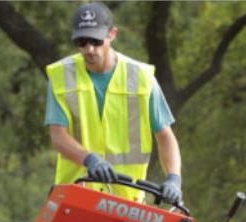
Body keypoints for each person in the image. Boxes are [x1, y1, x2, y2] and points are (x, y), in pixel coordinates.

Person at [46, 2, 182, 205]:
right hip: (75, 196)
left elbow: (165, 136)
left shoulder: (142, 79)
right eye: (82, 42)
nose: (89, 49)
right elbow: (58, 136)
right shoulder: (61, 76)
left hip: (125, 202)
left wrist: (173, 178)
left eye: (96, 41)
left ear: (112, 34)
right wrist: (89, 159)